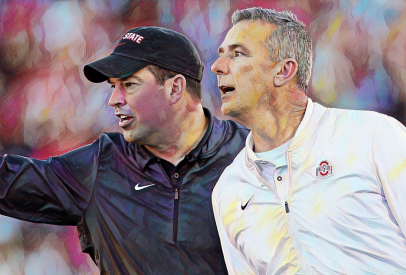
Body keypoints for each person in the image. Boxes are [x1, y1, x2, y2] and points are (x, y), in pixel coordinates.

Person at [210, 7, 406, 274]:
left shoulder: (371, 136)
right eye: (221, 55)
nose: (217, 66)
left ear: (284, 70)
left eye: (238, 53)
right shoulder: (228, 191)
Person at [0, 26, 248, 274]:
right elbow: (8, 181)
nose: (114, 100)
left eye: (129, 84)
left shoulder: (252, 156)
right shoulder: (102, 166)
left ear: (175, 89)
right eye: (113, 87)